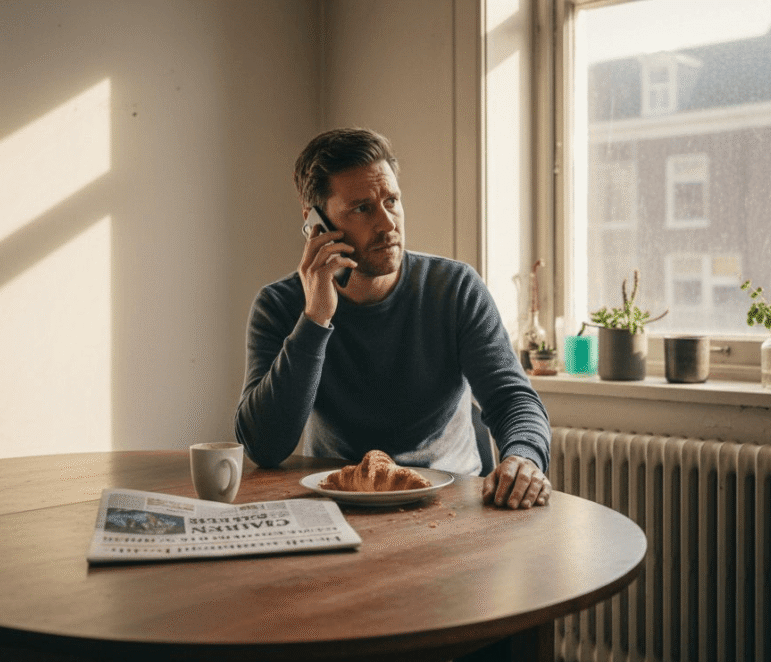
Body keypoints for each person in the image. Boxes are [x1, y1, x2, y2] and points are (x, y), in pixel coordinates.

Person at [235, 127, 552, 510]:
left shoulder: (454, 289)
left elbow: (511, 398)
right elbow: (264, 447)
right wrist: (316, 318)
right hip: (340, 501)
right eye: (362, 208)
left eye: (392, 200)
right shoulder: (280, 306)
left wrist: (524, 457)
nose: (387, 224)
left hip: (450, 501)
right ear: (316, 222)